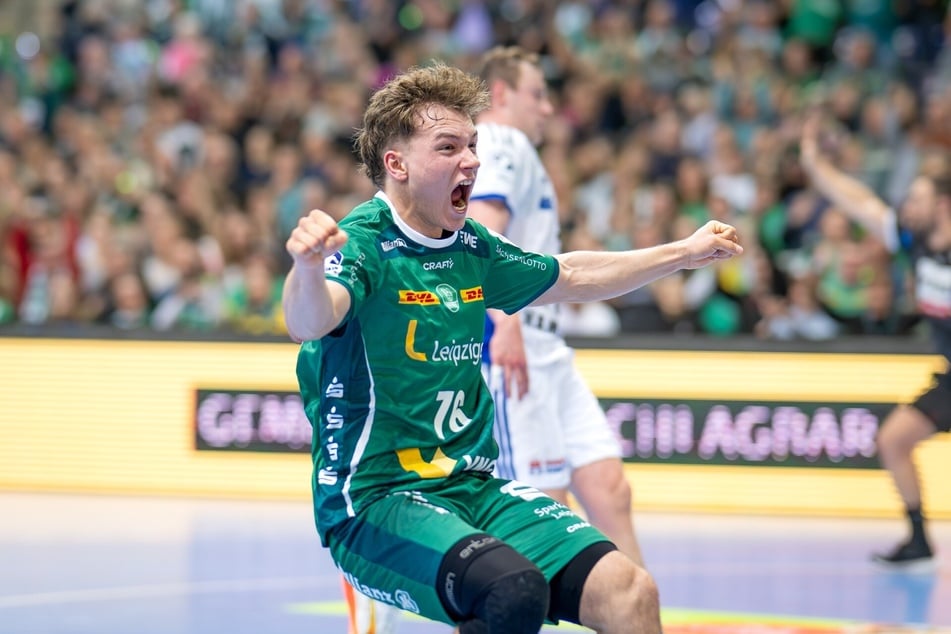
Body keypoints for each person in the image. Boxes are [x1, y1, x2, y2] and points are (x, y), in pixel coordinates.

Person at [283, 61, 742, 634]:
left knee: (630, 592)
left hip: (471, 486)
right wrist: (305, 267)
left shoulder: (471, 245)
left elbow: (571, 274)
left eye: (472, 145)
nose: (472, 160)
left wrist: (683, 253)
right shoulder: (363, 243)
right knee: (512, 591)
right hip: (376, 500)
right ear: (396, 165)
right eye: (448, 147)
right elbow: (309, 320)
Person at [466, 45, 645, 566]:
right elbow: (483, 231)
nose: (548, 107)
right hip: (516, 340)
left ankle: (632, 602)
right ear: (502, 94)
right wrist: (504, 322)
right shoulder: (501, 141)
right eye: (538, 95)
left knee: (609, 488)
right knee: (543, 510)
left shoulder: (519, 149)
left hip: (550, 344)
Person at [800, 114, 951, 571]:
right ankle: (919, 541)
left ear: (944, 203)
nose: (908, 205)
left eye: (919, 198)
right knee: (893, 440)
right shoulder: (913, 239)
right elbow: (860, 202)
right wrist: (816, 165)